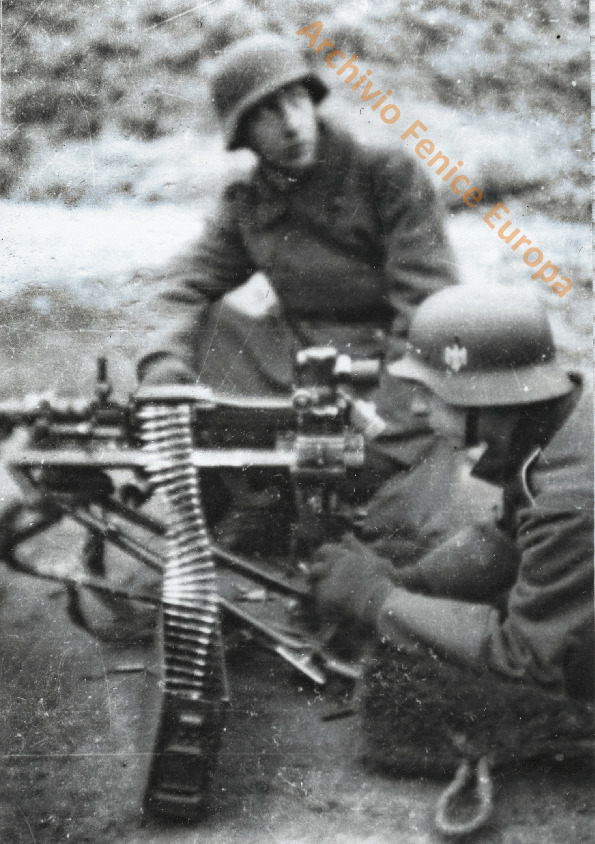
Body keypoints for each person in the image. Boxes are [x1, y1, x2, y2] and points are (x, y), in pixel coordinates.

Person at [137, 32, 457, 473]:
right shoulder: (249, 201)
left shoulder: (386, 172)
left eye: (295, 99)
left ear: (312, 100)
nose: (290, 124)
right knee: (213, 326)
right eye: (267, 112)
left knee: (387, 470)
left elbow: (427, 304)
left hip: (386, 369)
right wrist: (162, 367)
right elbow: (180, 285)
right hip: (304, 370)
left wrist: (387, 419)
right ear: (244, 134)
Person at [311, 285, 593, 778]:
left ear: (483, 396)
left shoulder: (572, 496)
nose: (419, 408)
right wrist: (413, 581)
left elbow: (523, 657)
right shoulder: (560, 417)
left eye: (431, 391)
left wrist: (377, 600)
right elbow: (506, 539)